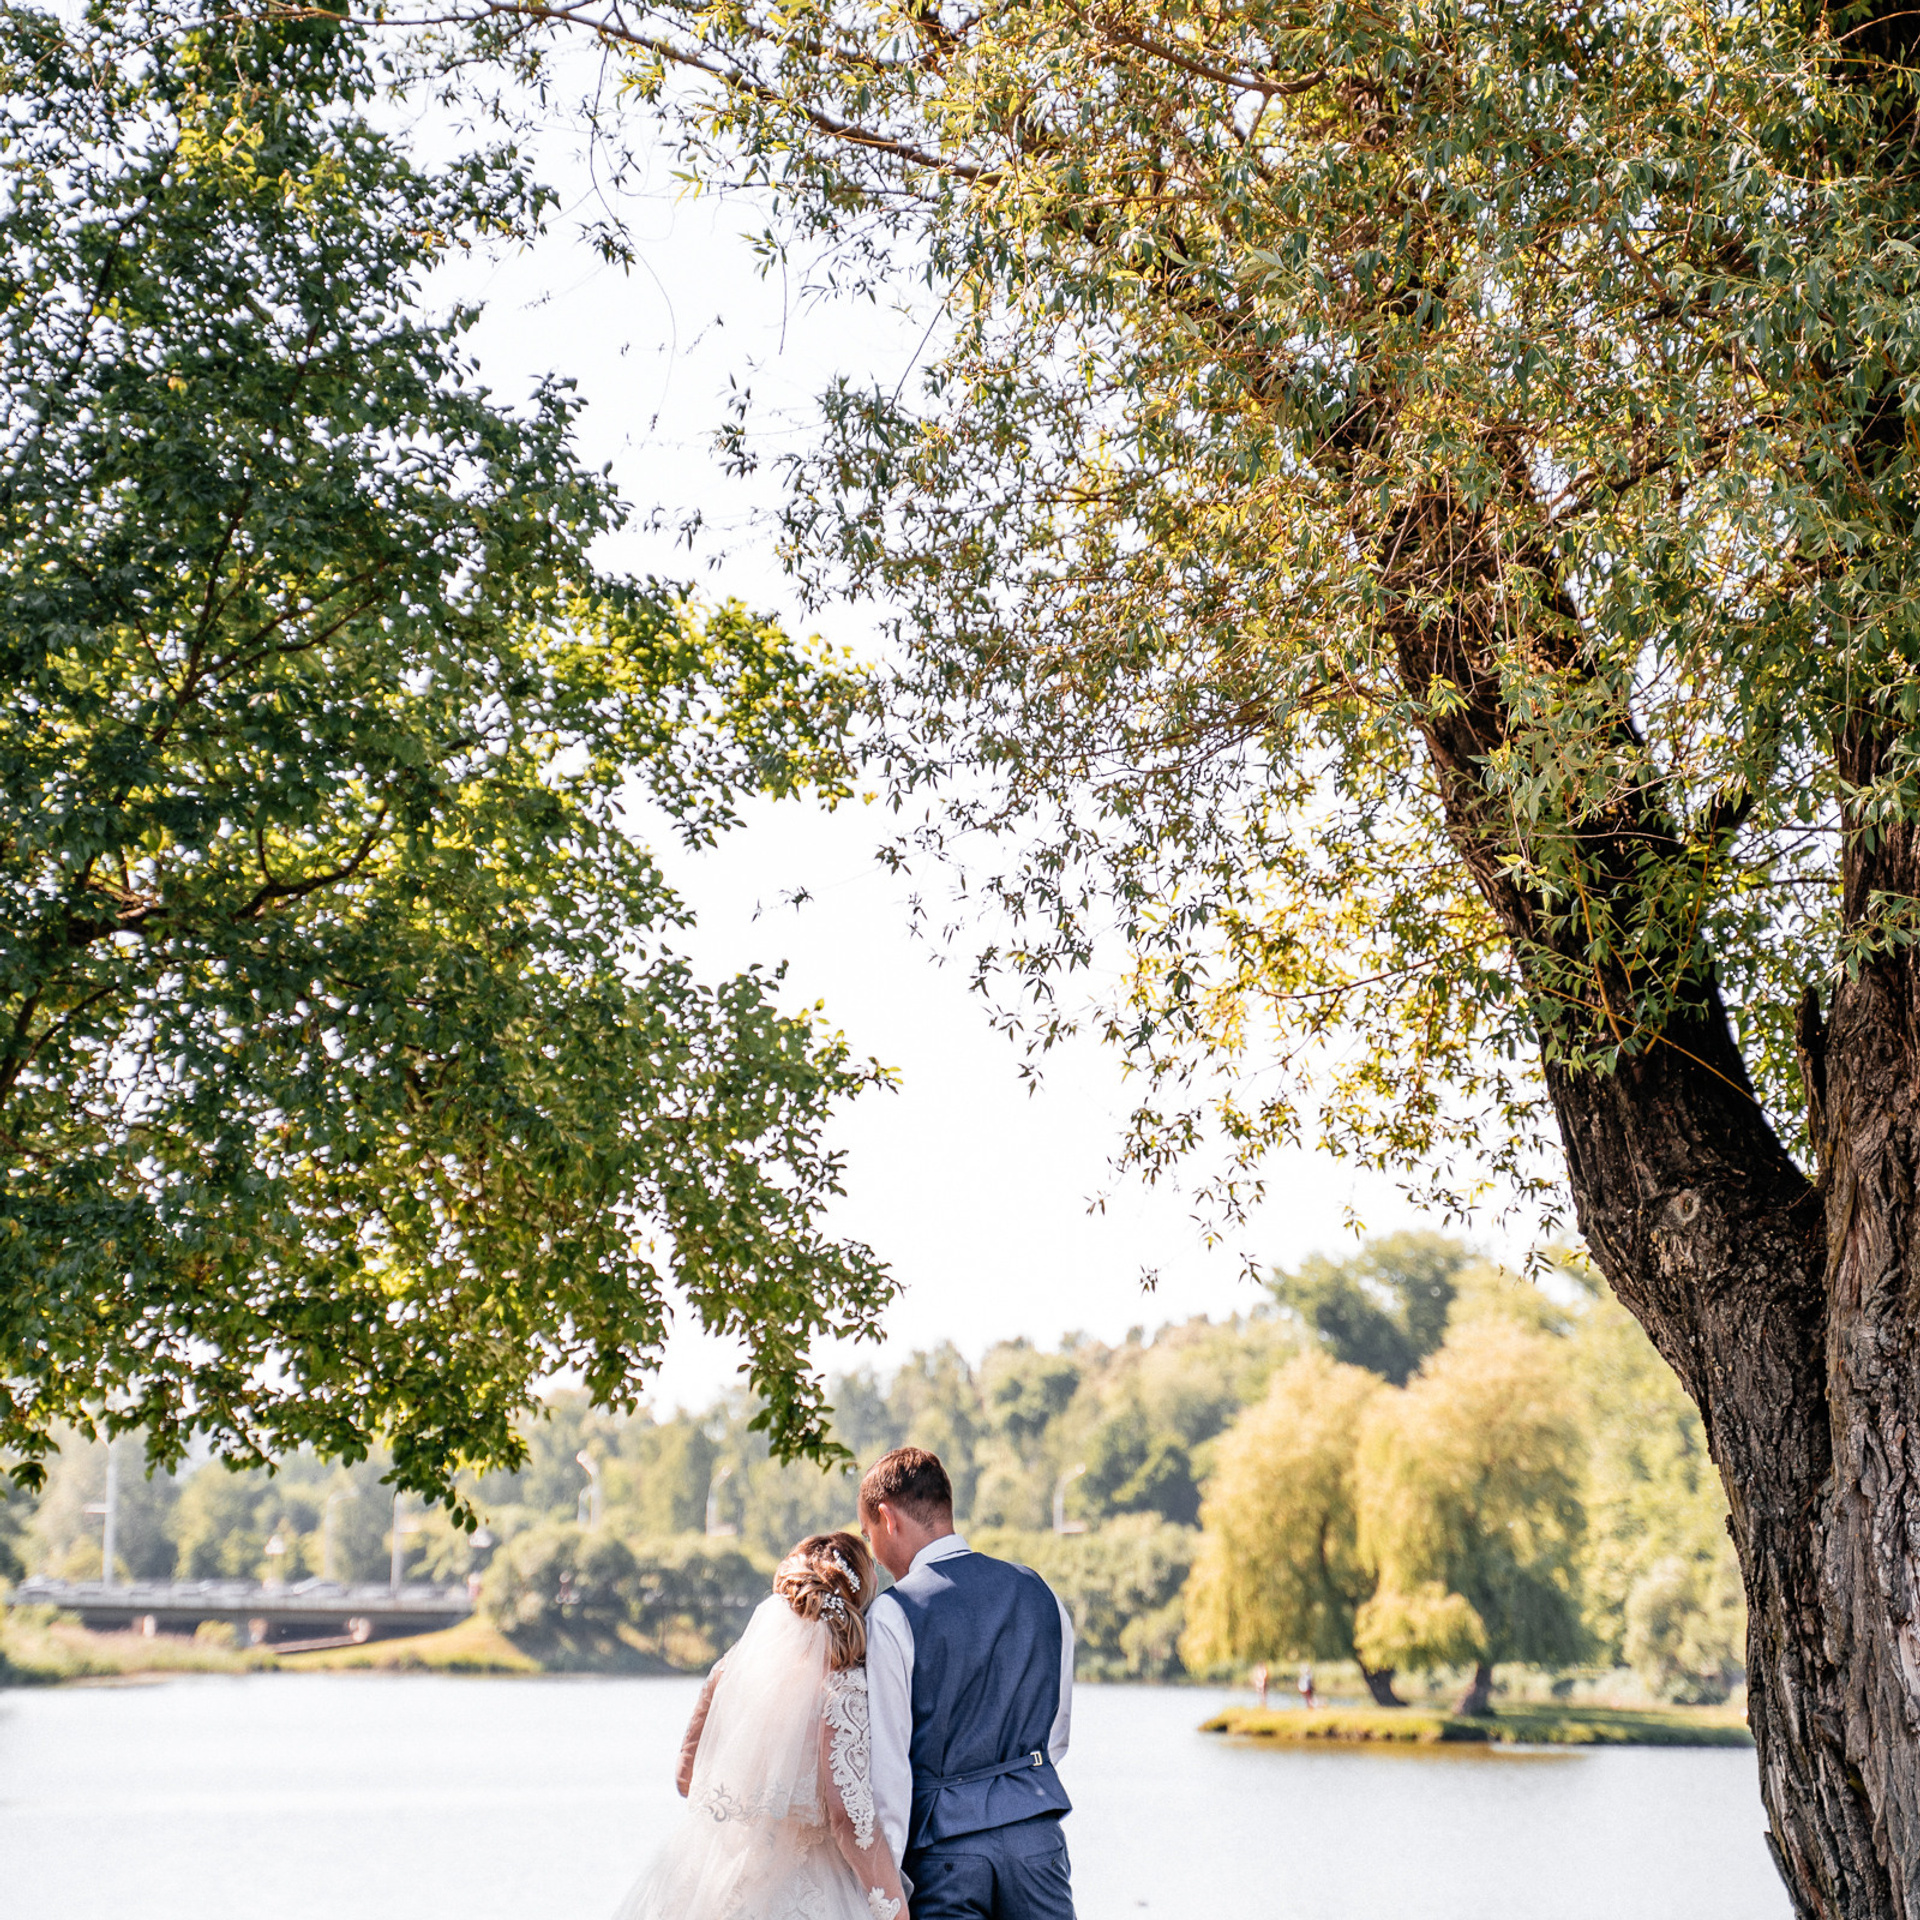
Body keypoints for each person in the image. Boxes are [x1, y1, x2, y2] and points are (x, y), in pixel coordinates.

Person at [617, 1530, 908, 1920]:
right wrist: (893, 1906)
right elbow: (846, 1816)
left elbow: (687, 1778)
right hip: (816, 1889)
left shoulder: (731, 1669)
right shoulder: (842, 1686)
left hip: (724, 1880)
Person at [861, 1446, 1077, 1920]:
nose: (872, 1552)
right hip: (1035, 1839)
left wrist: (888, 1890)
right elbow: (1055, 1736)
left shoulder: (894, 1614)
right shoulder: (1041, 1592)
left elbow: (890, 1771)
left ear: (887, 1518)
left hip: (945, 1852)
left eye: (868, 1533)